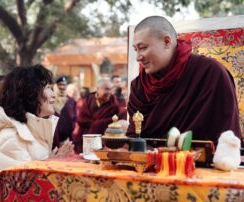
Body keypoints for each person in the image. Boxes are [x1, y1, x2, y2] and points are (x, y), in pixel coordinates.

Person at [127, 16, 241, 144]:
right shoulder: (139, 86)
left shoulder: (209, 73)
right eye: (135, 50)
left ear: (167, 42)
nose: (138, 57)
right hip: (147, 161)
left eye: (142, 48)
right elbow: (134, 137)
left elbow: (225, 138)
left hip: (199, 162)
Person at [0, 65, 73, 201]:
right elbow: (21, 192)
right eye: (47, 88)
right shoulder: (11, 137)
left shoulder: (29, 129)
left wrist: (50, 163)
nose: (53, 95)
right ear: (30, 93)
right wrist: (52, 165)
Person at [72, 78, 123, 153]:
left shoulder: (113, 103)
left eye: (110, 89)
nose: (108, 92)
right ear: (98, 89)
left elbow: (114, 121)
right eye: (106, 89)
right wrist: (96, 123)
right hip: (86, 136)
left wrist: (96, 124)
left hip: (103, 139)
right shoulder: (88, 100)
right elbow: (81, 119)